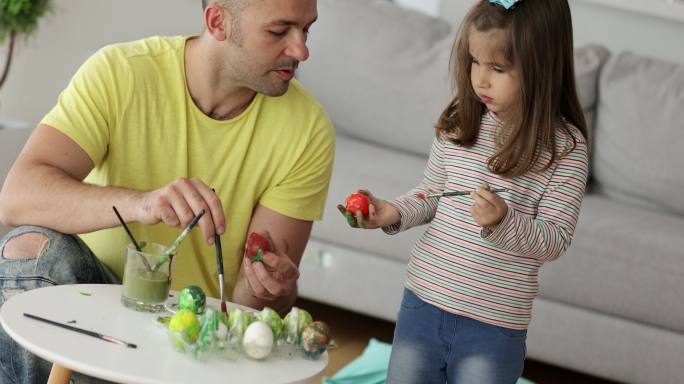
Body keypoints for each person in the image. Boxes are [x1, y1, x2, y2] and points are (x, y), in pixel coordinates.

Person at [0, 0, 333, 382]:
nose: (301, 50)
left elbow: (247, 306)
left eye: (306, 30)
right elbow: (16, 197)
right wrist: (141, 203)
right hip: (93, 308)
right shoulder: (121, 72)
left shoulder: (308, 130)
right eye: (279, 31)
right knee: (27, 248)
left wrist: (266, 288)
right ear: (218, 21)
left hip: (193, 343)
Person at [338, 0, 589, 383]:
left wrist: (504, 220)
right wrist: (394, 212)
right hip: (423, 305)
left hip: (494, 327)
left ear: (541, 67)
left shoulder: (565, 150)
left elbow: (554, 240)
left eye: (498, 68)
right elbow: (432, 193)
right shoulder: (461, 120)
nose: (480, 80)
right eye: (474, 61)